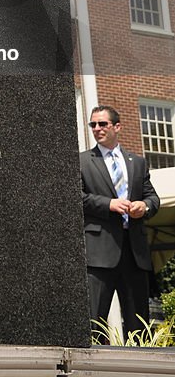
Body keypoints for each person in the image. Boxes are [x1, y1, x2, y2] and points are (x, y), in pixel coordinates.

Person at [80, 104, 159, 340]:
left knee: (139, 324)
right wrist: (108, 204)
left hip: (135, 253)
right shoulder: (82, 161)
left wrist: (143, 207)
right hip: (99, 253)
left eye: (102, 124)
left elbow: (152, 197)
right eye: (93, 124)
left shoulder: (137, 162)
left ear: (117, 126)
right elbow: (75, 197)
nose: (96, 128)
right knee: (95, 322)